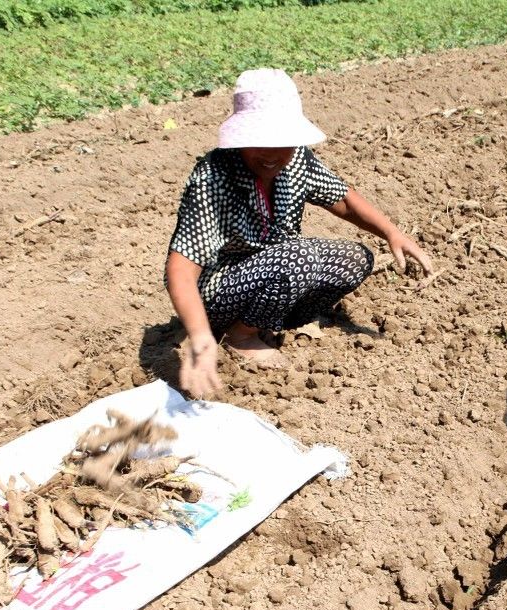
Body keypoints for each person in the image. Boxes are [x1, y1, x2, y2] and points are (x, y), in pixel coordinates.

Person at [165, 68, 432, 397]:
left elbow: (342, 199)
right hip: (220, 293)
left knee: (356, 259)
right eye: (261, 142)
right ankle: (239, 335)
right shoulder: (212, 177)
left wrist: (392, 232)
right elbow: (181, 267)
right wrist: (200, 335)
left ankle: (271, 322)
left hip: (276, 272)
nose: (274, 154)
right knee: (299, 257)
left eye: (284, 143)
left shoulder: (296, 161)